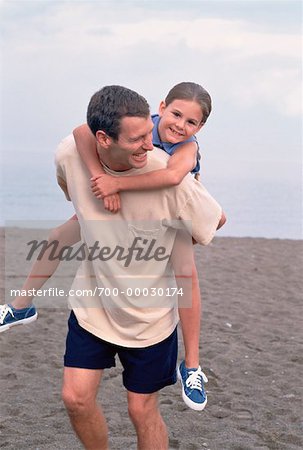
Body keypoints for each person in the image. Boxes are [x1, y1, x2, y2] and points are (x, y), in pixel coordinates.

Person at [0, 82, 225, 414]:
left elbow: (175, 177)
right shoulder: (137, 122)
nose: (180, 125)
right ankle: (22, 305)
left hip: (171, 209)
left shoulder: (187, 148)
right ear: (161, 107)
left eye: (191, 122)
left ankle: (192, 365)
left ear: (200, 127)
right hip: (125, 191)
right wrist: (99, 180)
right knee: (58, 237)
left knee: (186, 277)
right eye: (176, 114)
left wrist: (117, 183)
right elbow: (82, 131)